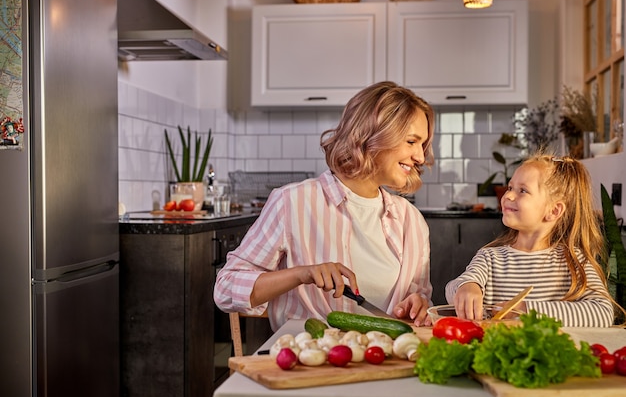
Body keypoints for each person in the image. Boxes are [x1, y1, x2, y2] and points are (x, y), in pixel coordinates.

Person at [214, 81, 435, 330]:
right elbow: (226, 288)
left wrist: (419, 306)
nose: (420, 157)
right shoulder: (292, 203)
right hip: (309, 359)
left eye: (422, 144)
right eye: (411, 141)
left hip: (387, 362)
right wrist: (301, 274)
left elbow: (419, 300)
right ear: (373, 134)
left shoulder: (411, 220)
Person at [445, 153, 624, 327]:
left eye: (522, 190)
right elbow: (451, 290)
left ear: (554, 211)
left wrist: (527, 311)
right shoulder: (490, 258)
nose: (508, 196)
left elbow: (602, 311)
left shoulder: (574, 261)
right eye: (510, 187)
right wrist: (467, 286)